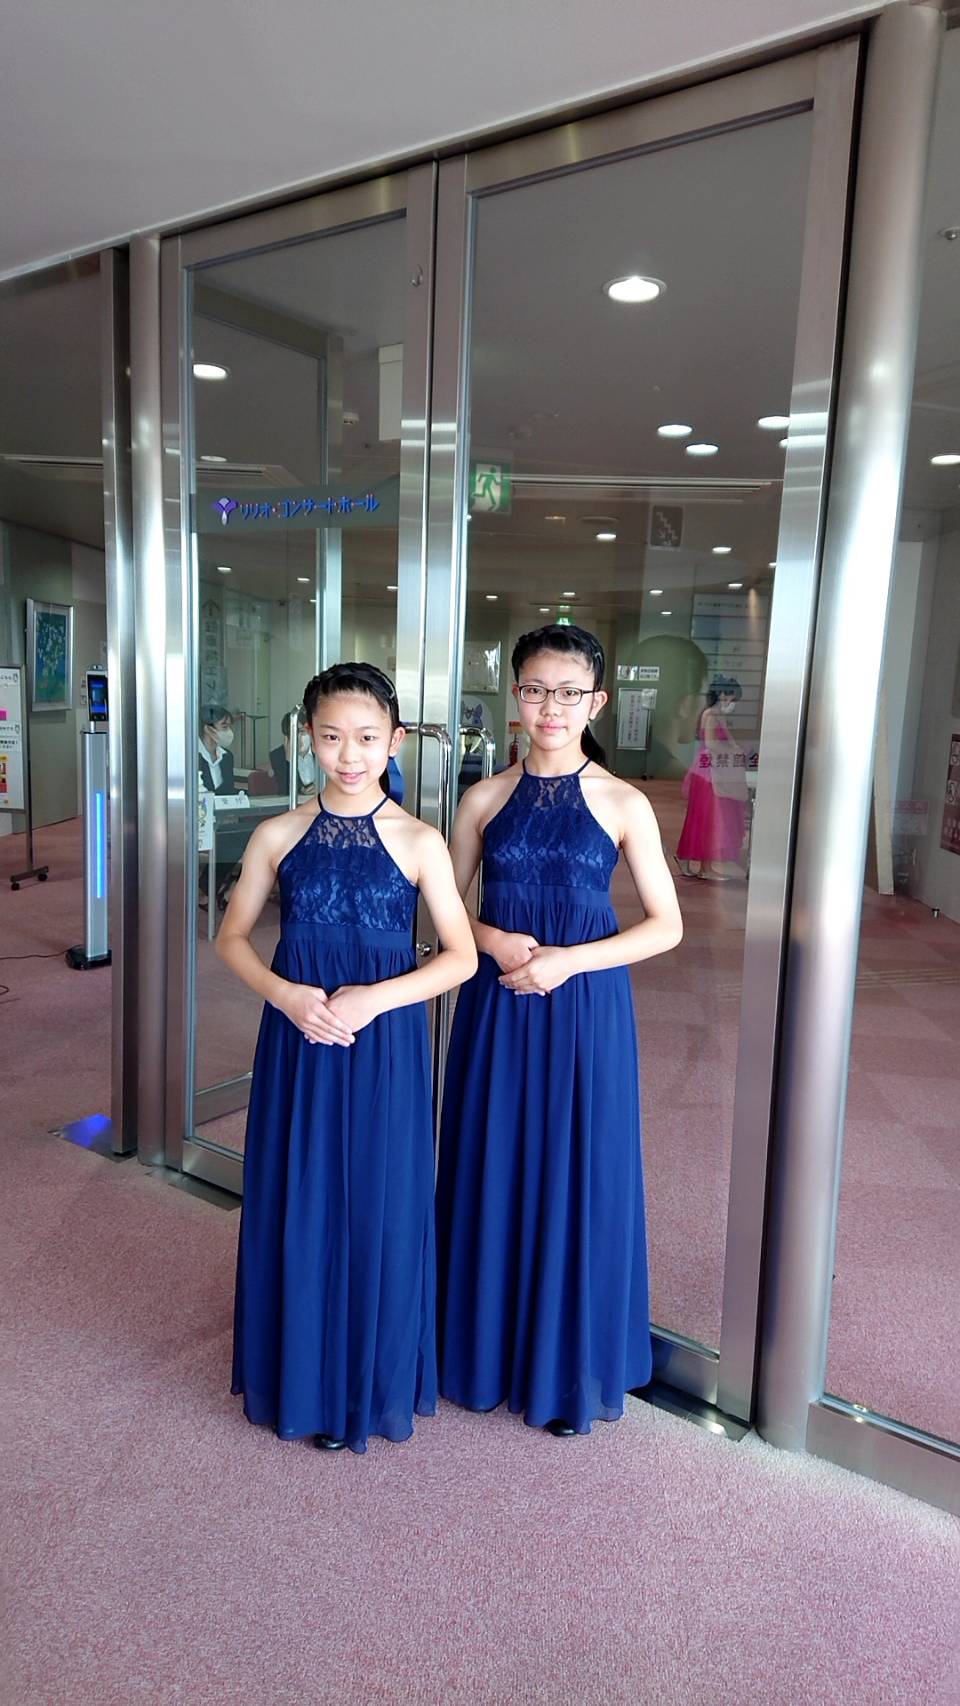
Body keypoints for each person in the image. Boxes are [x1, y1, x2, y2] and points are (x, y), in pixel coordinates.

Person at [219, 662, 476, 1454]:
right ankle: (299, 1379)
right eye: (331, 738)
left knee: (380, 1200)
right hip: (298, 1039)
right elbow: (231, 939)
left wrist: (375, 999)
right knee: (298, 1194)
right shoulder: (277, 834)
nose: (350, 755)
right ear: (308, 739)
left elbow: (461, 957)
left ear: (394, 741)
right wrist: (286, 995)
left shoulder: (420, 840)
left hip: (384, 1042)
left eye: (367, 738)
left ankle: (372, 1383)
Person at [435, 623, 683, 1438]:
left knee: (579, 1167)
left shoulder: (623, 801)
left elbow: (666, 926)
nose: (551, 707)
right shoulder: (483, 799)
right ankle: (481, 1355)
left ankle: (566, 1369)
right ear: (517, 696)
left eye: (569, 692)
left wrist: (568, 962)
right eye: (537, 690)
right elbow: (438, 911)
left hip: (585, 1007)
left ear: (596, 701)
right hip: (498, 1003)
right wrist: (493, 940)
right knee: (492, 1157)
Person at [676, 677, 748, 880]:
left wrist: (734, 749)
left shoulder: (715, 715)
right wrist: (733, 751)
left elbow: (726, 743)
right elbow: (711, 743)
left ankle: (698, 863)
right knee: (709, 818)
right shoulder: (711, 715)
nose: (732, 702)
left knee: (704, 817)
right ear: (722, 694)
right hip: (709, 773)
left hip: (710, 770)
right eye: (731, 697)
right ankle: (704, 867)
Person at [198, 703, 244, 907]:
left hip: (222, 819)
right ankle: (210, 888)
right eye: (224, 727)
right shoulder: (190, 755)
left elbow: (229, 790)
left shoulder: (227, 757)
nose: (229, 732)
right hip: (199, 819)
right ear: (208, 729)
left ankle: (226, 888)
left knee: (250, 835)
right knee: (231, 839)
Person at [268, 710, 316, 798]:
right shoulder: (278, 755)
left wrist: (320, 788)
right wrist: (288, 760)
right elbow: (285, 791)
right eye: (293, 733)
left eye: (302, 732)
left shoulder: (320, 751)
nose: (299, 738)